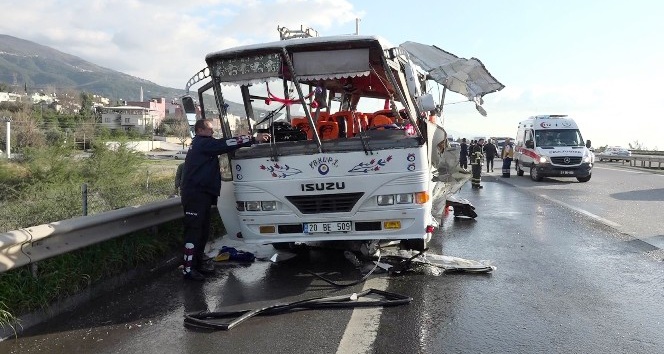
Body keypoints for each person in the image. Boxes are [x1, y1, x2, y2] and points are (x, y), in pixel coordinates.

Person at [180, 119, 266, 281]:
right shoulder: (201, 143)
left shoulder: (203, 144)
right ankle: (188, 269)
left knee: (202, 232)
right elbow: (225, 144)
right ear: (199, 130)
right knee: (193, 231)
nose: (212, 133)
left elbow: (221, 144)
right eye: (210, 130)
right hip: (195, 195)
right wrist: (252, 139)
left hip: (203, 194)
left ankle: (197, 264)